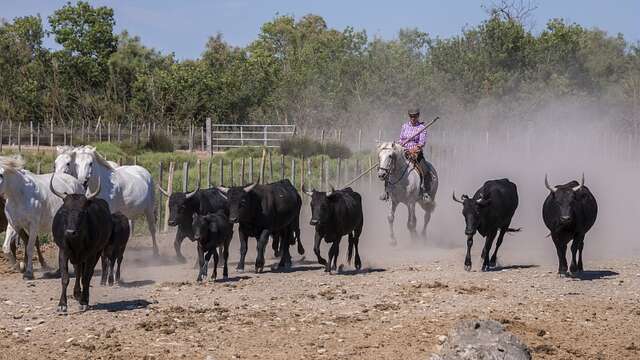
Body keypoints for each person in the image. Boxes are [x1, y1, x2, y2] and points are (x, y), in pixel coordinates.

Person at [380, 108, 432, 201]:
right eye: (411, 116)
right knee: (389, 165)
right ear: (409, 116)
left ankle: (425, 192)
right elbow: (401, 139)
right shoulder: (404, 126)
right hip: (403, 152)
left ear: (418, 116)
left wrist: (412, 150)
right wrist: (398, 146)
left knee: (425, 170)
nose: (413, 118)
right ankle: (386, 191)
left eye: (415, 116)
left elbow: (421, 143)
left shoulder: (422, 128)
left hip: (416, 154)